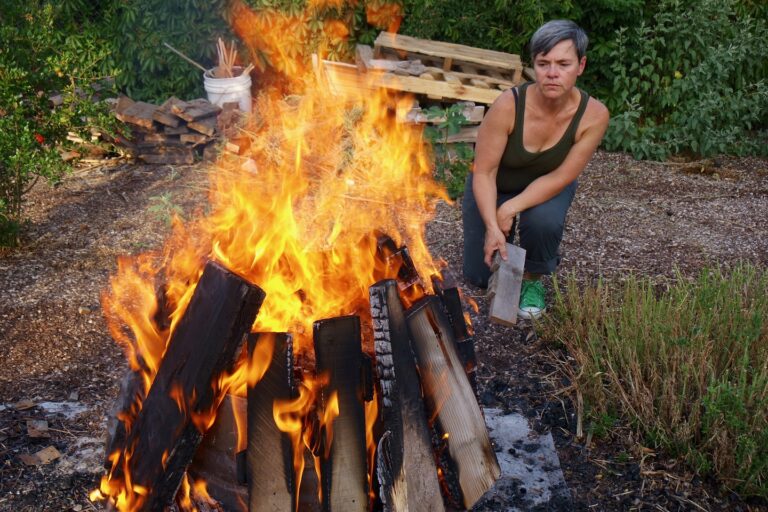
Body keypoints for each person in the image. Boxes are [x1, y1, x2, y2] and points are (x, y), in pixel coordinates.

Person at [462, 19, 609, 319]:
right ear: (534, 66)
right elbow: (484, 172)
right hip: (495, 185)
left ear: (581, 66)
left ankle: (533, 278)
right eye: (544, 64)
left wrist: (510, 209)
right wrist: (493, 223)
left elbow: (562, 176)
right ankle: (503, 247)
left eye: (563, 64)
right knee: (478, 276)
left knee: (543, 222)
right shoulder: (507, 105)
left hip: (547, 189)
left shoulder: (594, 116)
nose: (553, 73)